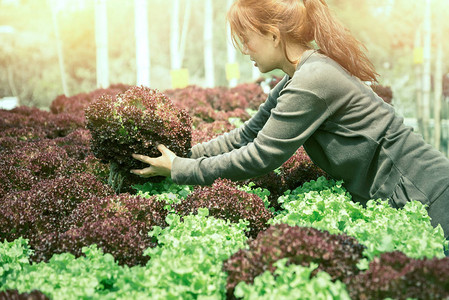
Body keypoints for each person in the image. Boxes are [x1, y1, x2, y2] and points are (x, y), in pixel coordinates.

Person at [131, 0, 449, 243]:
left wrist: (180, 170)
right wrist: (181, 154)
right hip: (413, 196)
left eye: (247, 38)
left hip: (431, 195)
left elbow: (261, 156)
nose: (244, 50)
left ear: (272, 35)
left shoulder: (313, 80)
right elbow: (245, 136)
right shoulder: (297, 77)